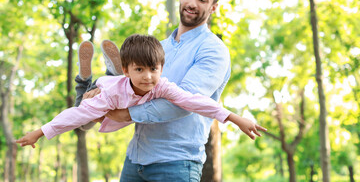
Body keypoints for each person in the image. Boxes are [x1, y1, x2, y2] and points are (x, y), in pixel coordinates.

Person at [77, 0, 264, 182]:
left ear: (213, 8)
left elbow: (184, 102)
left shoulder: (213, 50)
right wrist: (102, 94)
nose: (192, 2)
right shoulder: (159, 48)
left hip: (175, 165)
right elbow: (135, 90)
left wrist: (128, 114)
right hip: (135, 160)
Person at [15, 34, 266, 148]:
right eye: (140, 70)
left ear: (161, 68)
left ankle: (109, 72)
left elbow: (195, 102)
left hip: (117, 83)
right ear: (129, 70)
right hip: (102, 94)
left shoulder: (162, 85)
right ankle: (84, 77)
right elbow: (73, 117)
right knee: (84, 114)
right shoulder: (111, 96)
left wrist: (234, 118)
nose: (148, 77)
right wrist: (40, 132)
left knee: (98, 102)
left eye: (154, 69)